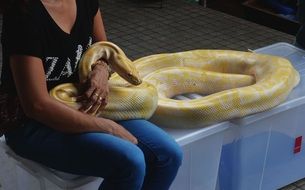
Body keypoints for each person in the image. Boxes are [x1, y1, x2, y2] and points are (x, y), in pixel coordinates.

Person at [0, 0, 183, 189]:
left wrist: (101, 69)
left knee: (168, 155)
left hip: (87, 105)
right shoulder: (23, 14)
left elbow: (103, 49)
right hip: (34, 124)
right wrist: (108, 128)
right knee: (130, 160)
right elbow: (37, 105)